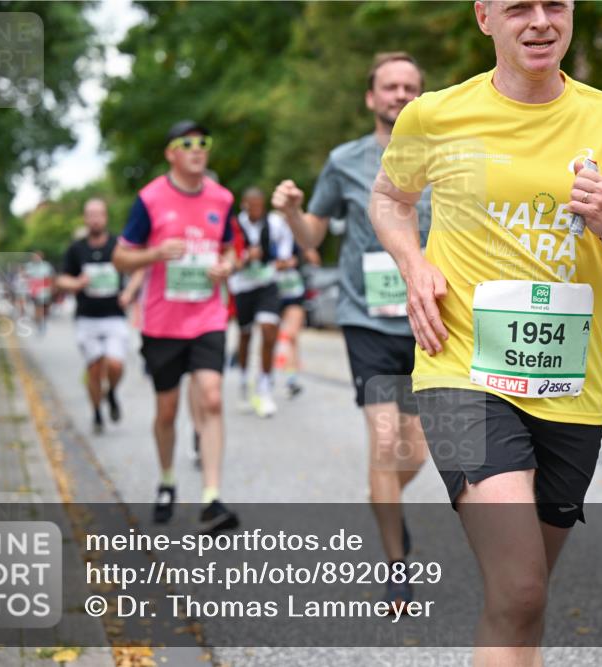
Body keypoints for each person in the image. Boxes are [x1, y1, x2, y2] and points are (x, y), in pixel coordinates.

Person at [370, 1, 602, 661]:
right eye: (518, 8)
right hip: (457, 375)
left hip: (570, 389)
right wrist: (413, 261)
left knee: (521, 604)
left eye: (555, 5)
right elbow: (389, 199)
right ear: (485, 18)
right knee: (518, 586)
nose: (540, 21)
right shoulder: (435, 114)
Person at [272, 51, 433, 610]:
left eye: (410, 85)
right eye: (390, 86)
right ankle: (396, 565)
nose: (400, 94)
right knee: (386, 442)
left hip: (432, 318)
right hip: (367, 318)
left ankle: (383, 498)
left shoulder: (447, 158)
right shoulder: (344, 162)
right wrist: (293, 212)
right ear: (371, 97)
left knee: (419, 451)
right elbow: (312, 233)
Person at [113, 120, 240, 533]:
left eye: (204, 142)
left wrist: (226, 267)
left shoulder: (221, 198)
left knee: (212, 396)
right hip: (163, 322)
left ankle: (211, 498)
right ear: (172, 153)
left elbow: (229, 252)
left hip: (207, 316)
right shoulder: (149, 199)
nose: (198, 149)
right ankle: (167, 480)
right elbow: (120, 258)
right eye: (188, 143)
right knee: (166, 410)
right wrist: (154, 254)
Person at [56, 198, 131, 435]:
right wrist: (77, 282)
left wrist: (129, 292)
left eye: (99, 214)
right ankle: (97, 413)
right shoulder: (76, 249)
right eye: (91, 214)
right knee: (95, 368)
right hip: (86, 318)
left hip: (114, 316)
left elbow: (138, 269)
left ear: (105, 217)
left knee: (115, 365)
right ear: (85, 218)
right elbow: (61, 279)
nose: (95, 219)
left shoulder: (118, 246)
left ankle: (112, 393)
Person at [227, 187, 294, 418]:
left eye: (260, 205)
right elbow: (228, 254)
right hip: (243, 286)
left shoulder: (275, 223)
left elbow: (285, 245)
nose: (256, 209)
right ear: (244, 205)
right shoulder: (235, 225)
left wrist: (282, 260)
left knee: (268, 331)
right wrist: (245, 257)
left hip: (267, 284)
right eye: (252, 205)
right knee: (245, 335)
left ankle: (264, 385)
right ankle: (244, 381)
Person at [274, 246, 320, 398]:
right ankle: (267, 377)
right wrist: (281, 265)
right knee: (270, 336)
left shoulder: (297, 238)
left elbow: (315, 260)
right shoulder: (270, 231)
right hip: (273, 293)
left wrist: (307, 252)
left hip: (295, 293)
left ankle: (291, 380)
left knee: (291, 335)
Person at [26, 252, 54, 334]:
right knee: (37, 307)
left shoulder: (46, 266)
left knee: (45, 308)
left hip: (45, 290)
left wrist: (51, 288)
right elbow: (27, 278)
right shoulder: (29, 266)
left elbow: (50, 277)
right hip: (35, 291)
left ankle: (43, 321)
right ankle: (39, 324)